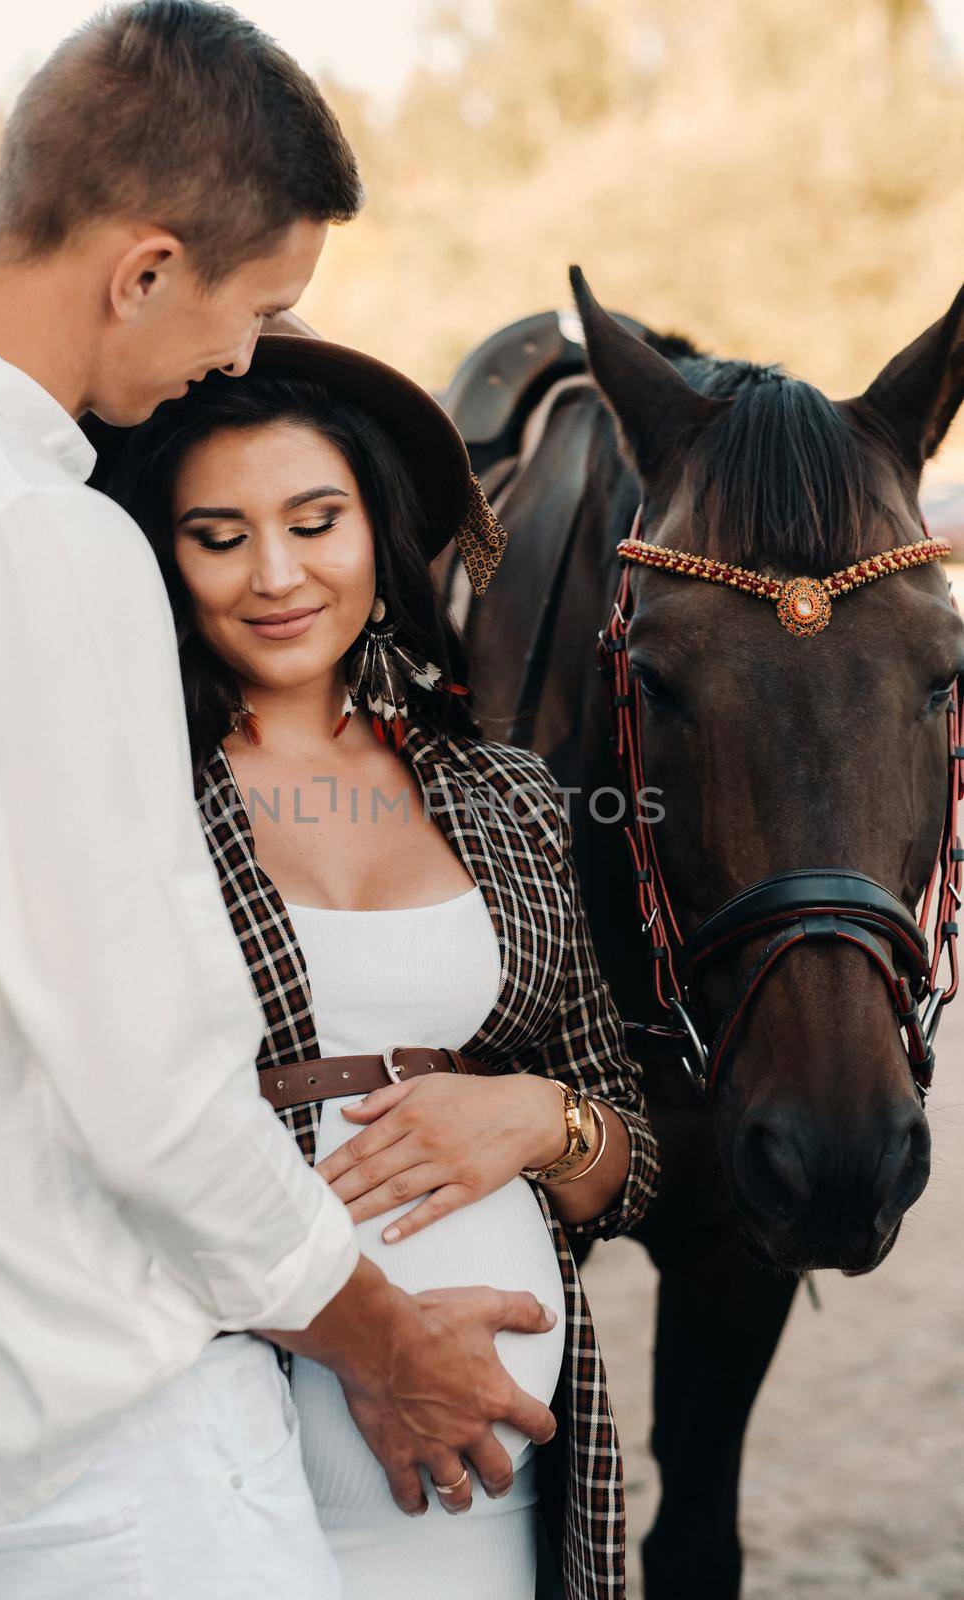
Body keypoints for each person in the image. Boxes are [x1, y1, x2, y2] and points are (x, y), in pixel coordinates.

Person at [0, 5, 559, 1595]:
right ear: (142, 268)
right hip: (94, 1449)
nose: (242, 359)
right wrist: (385, 1348)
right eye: (252, 306)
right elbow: (146, 1078)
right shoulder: (30, 538)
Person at [90, 333, 661, 1596]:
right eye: (219, 535)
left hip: (497, 1481)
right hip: (213, 1452)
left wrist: (541, 1119)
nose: (277, 574)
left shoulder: (503, 796)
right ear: (161, 558)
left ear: (376, 534)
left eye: (316, 520)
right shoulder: (118, 798)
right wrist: (381, 1342)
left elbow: (630, 1160)